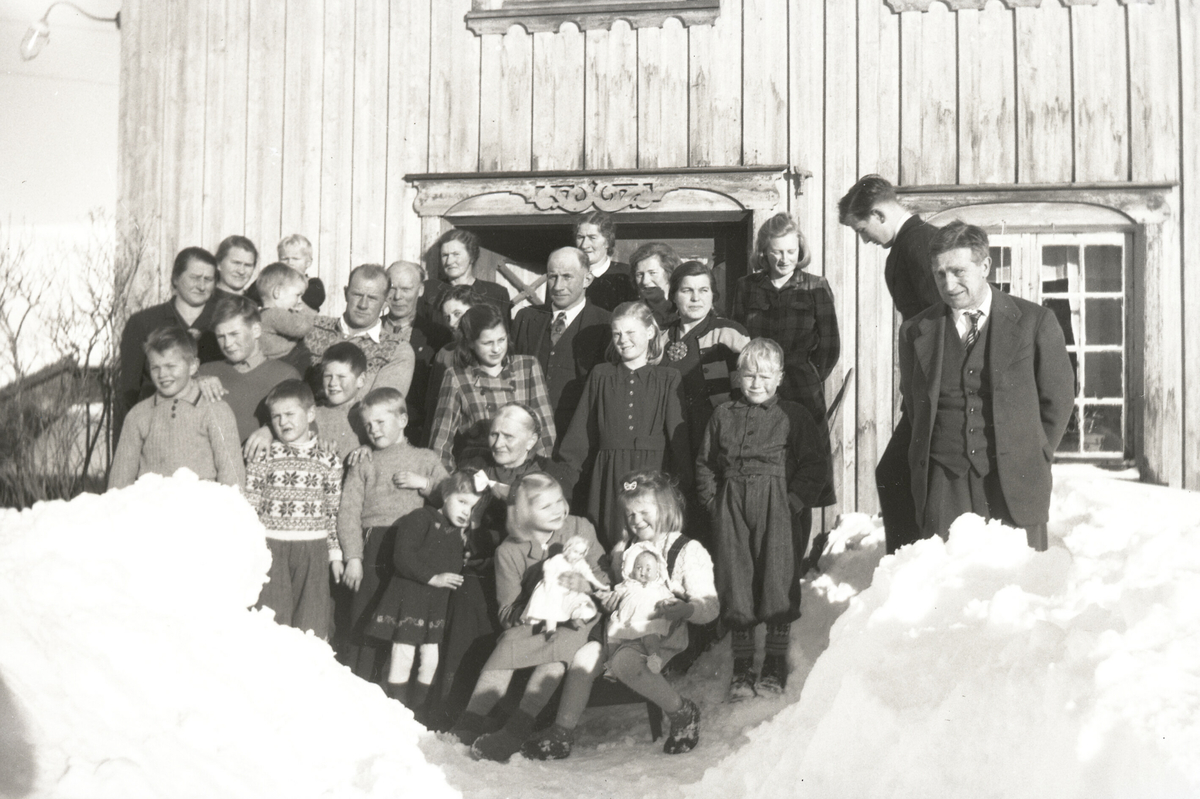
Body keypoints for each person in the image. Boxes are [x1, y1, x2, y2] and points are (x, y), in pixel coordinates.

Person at [899, 221, 1075, 552]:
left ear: (985, 266)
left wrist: (1031, 452)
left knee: (1018, 589)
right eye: (939, 274)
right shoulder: (915, 331)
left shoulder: (1035, 322)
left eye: (957, 271)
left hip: (1016, 483)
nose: (948, 284)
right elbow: (914, 405)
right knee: (946, 590)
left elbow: (1058, 400)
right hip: (945, 483)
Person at [522, 471, 716, 760]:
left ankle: (683, 712)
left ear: (665, 509)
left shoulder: (686, 551)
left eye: (643, 512)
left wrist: (687, 608)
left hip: (659, 637)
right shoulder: (624, 551)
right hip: (620, 631)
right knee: (585, 655)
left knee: (625, 660)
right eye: (630, 514)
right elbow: (617, 597)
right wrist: (587, 588)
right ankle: (562, 733)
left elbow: (710, 608)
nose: (636, 520)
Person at [695, 338, 828, 699]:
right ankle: (741, 668)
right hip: (732, 501)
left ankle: (773, 662)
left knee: (777, 576)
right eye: (750, 375)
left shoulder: (793, 415)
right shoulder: (723, 415)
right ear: (738, 377)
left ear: (780, 378)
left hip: (777, 503)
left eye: (766, 376)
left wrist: (794, 501)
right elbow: (706, 463)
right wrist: (713, 502)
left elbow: (815, 464)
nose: (757, 383)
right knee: (736, 579)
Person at [448, 472, 607, 763]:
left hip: (581, 615)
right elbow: (507, 612)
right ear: (524, 513)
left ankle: (516, 730)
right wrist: (538, 604)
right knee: (508, 641)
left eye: (559, 501)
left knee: (560, 647)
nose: (558, 509)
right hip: (536, 619)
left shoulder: (579, 528)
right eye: (546, 507)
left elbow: (604, 579)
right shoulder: (509, 551)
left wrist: (583, 588)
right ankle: (468, 723)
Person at [839, 174, 943, 553]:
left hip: (932, 391)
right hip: (920, 390)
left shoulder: (919, 246)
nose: (865, 240)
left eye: (863, 229)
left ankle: (906, 564)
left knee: (896, 474)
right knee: (898, 474)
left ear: (880, 214)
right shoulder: (911, 245)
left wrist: (925, 393)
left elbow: (941, 327)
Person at [556, 301, 692, 551]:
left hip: (653, 473)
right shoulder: (601, 375)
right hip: (609, 474)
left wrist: (681, 485)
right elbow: (580, 436)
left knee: (652, 543)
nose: (623, 340)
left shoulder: (668, 378)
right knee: (610, 540)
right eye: (617, 334)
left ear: (650, 332)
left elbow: (679, 441)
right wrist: (563, 484)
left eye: (631, 333)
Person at [732, 212, 839, 511]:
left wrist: (809, 374)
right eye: (776, 252)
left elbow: (830, 346)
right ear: (763, 252)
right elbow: (740, 337)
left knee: (805, 461)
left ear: (800, 249)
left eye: (791, 251)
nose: (784, 259)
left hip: (802, 385)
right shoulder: (746, 286)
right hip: (758, 385)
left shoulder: (815, 286)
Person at [337, 388, 447, 680]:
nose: (373, 430)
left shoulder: (425, 458)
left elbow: (451, 497)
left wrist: (424, 483)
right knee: (365, 619)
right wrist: (353, 557)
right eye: (368, 425)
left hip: (414, 551)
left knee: (401, 625)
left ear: (403, 419)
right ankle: (359, 687)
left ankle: (396, 695)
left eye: (381, 422)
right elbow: (348, 511)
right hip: (374, 548)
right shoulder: (364, 462)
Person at [366, 470, 485, 714]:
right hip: (410, 600)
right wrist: (433, 578)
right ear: (445, 495)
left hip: (434, 607)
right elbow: (403, 556)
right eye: (462, 502)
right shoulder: (421, 518)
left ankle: (418, 709)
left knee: (430, 659)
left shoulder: (458, 534)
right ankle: (396, 708)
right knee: (404, 653)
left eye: (473, 508)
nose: (466, 512)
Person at [243, 379, 343, 640]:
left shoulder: (328, 458)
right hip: (271, 546)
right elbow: (250, 503)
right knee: (271, 620)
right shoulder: (264, 454)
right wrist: (250, 546)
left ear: (310, 414)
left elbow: (332, 510)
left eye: (289, 414)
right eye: (275, 416)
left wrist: (335, 552)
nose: (283, 422)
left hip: (313, 548)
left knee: (311, 624)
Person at [108, 326, 243, 490]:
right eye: (155, 367)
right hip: (150, 505)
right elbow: (119, 481)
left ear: (193, 366)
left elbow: (232, 477)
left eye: (171, 366)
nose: (162, 374)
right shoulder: (138, 415)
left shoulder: (215, 410)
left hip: (203, 507)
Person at [427, 303, 556, 471]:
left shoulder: (528, 367)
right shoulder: (456, 377)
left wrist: (538, 473)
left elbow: (545, 430)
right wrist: (450, 485)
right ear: (471, 343)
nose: (496, 349)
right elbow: (441, 442)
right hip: (478, 472)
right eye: (487, 343)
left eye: (501, 340)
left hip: (523, 469)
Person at [116, 246, 222, 441]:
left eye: (208, 279)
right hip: (158, 430)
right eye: (195, 277)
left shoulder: (223, 321)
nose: (201, 285)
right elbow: (129, 389)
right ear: (175, 278)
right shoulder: (144, 322)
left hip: (209, 430)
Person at [509, 247, 611, 443]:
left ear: (587, 279)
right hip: (527, 434)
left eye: (567, 277)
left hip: (577, 436)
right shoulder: (527, 317)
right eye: (552, 277)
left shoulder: (604, 323)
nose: (557, 286)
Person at [195, 295, 301, 448]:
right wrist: (193, 383)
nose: (228, 344)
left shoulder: (285, 375)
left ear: (256, 330)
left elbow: (308, 426)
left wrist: (271, 430)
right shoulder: (206, 371)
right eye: (221, 337)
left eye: (234, 334)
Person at [303, 263, 415, 397]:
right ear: (345, 294)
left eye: (372, 298)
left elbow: (381, 411)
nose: (363, 305)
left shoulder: (396, 350)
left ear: (386, 302)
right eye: (357, 295)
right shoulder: (312, 327)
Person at [381, 260, 451, 446]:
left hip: (415, 436)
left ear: (420, 290)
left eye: (406, 289)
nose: (397, 297)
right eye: (392, 288)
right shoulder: (370, 329)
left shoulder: (437, 336)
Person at [604, 548, 676, 675]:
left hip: (647, 621)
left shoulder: (659, 587)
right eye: (639, 568)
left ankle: (655, 660)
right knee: (613, 639)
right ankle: (611, 665)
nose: (643, 572)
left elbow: (670, 599)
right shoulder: (628, 584)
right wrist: (610, 597)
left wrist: (667, 603)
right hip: (625, 620)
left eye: (648, 569)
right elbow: (617, 593)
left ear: (657, 572)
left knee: (651, 639)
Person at [522, 535, 605, 635]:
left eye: (581, 553)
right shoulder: (558, 559)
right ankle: (550, 630)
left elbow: (589, 575)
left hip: (569, 588)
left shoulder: (580, 562)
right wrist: (547, 588)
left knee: (583, 603)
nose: (577, 556)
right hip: (553, 586)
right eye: (575, 552)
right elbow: (548, 573)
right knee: (552, 606)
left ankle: (577, 619)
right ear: (568, 549)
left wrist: (602, 586)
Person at [423, 229, 512, 321]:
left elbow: (503, 333)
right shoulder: (429, 289)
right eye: (445, 255)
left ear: (472, 257)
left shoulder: (496, 293)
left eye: (456, 254)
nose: (449, 261)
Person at [255, 262, 316, 375]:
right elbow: (301, 327)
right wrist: (306, 311)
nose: (299, 301)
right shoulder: (275, 314)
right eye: (297, 295)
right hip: (287, 360)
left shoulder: (261, 313)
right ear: (277, 292)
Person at [575, 211, 638, 312]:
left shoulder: (626, 275)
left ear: (608, 241)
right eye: (580, 237)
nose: (584, 245)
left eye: (592, 237)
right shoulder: (567, 274)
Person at [629, 241, 681, 328]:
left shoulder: (685, 310)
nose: (645, 281)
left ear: (670, 273)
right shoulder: (631, 315)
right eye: (639, 274)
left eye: (652, 273)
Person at [269, 233, 325, 310]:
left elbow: (314, 301)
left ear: (308, 262)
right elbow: (251, 299)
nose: (289, 263)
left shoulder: (313, 284)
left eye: (295, 259)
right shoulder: (270, 280)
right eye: (284, 259)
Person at [212, 235, 259, 300]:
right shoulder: (203, 301)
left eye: (248, 265)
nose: (241, 271)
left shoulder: (256, 303)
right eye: (236, 263)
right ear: (219, 264)